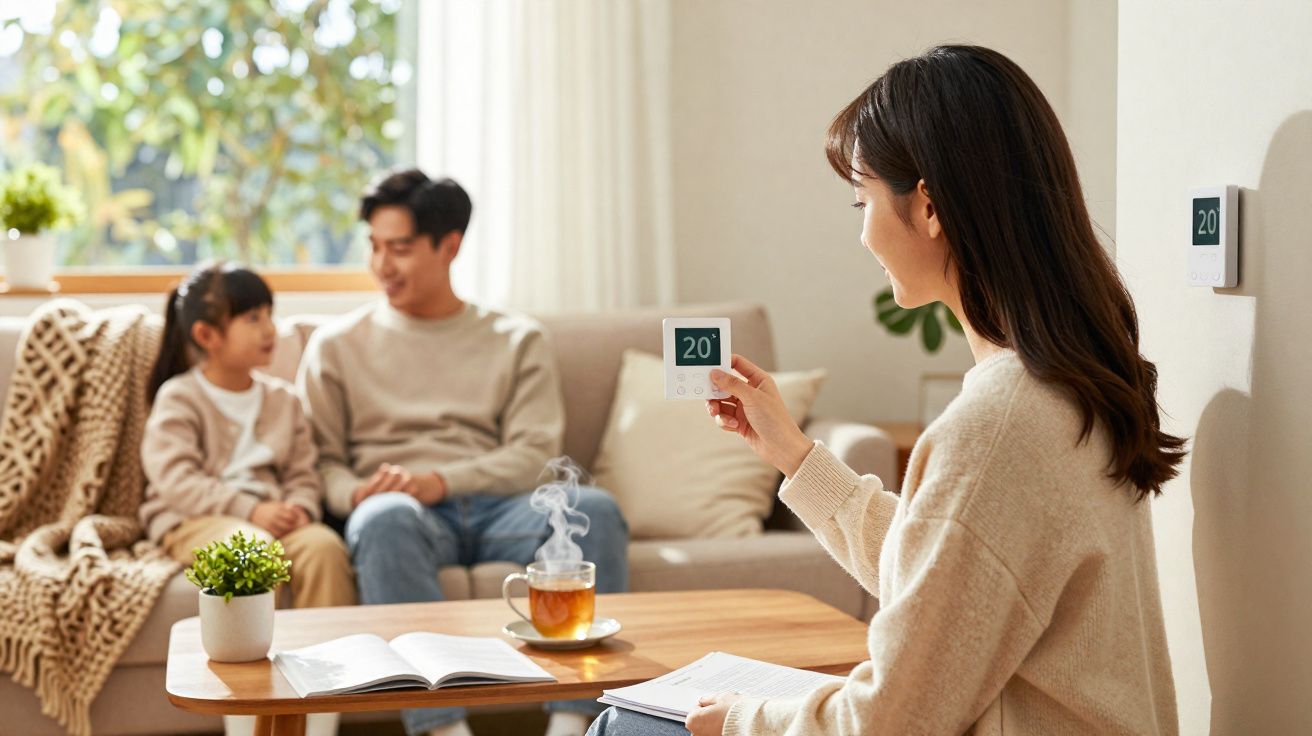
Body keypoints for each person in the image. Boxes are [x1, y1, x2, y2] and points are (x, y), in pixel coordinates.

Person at [588, 44, 1182, 736]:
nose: (864, 233)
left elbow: (891, 721)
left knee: (627, 726)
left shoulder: (998, 425)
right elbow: (947, 580)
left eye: (862, 198)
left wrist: (743, 721)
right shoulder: (1069, 386)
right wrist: (795, 455)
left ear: (928, 206)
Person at [298, 169, 630, 736]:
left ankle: (575, 723)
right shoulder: (336, 346)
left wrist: (439, 479)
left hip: (505, 508)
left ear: (449, 245)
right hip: (406, 516)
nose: (381, 264)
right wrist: (355, 493)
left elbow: (534, 453)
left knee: (594, 509)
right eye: (374, 246)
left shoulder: (514, 338)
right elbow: (319, 462)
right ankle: (441, 728)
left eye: (399, 248)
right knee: (381, 518)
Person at [140, 262, 355, 736]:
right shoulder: (179, 398)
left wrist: (300, 507)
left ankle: (321, 721)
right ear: (207, 334)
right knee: (250, 551)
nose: (269, 329)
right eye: (252, 318)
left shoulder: (284, 400)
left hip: (277, 519)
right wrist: (250, 510)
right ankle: (250, 724)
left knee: (323, 548)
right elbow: (176, 479)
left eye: (269, 315)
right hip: (197, 519)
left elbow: (304, 474)